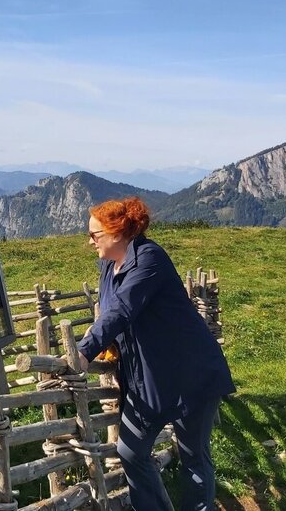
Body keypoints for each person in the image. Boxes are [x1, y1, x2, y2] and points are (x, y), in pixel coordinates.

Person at [74, 197, 236, 511]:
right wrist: (106, 340)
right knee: (130, 451)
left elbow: (123, 308)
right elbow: (109, 312)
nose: (90, 241)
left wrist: (85, 351)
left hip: (191, 373)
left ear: (118, 232)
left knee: (194, 457)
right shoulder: (108, 266)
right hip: (149, 378)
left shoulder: (149, 258)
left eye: (94, 235)